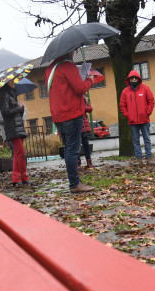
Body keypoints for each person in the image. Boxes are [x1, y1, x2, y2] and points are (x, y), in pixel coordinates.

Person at [45, 52, 96, 193]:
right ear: (70, 51)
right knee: (72, 150)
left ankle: (75, 181)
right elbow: (80, 88)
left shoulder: (50, 70)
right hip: (72, 113)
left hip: (58, 116)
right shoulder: (68, 66)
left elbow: (61, 90)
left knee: (68, 149)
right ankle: (74, 183)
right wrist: (90, 80)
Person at [0, 79, 29, 186]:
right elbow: (5, 112)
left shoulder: (11, 93)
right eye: (10, 80)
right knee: (21, 153)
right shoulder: (4, 94)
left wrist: (21, 107)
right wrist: (18, 108)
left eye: (13, 80)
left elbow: (16, 113)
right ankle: (24, 176)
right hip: (12, 127)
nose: (13, 82)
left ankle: (16, 178)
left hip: (17, 127)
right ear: (5, 82)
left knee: (17, 153)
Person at [119, 70, 155, 159]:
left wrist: (148, 112)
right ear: (129, 80)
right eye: (132, 78)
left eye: (135, 78)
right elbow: (122, 105)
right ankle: (138, 157)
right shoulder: (125, 91)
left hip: (144, 119)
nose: (134, 79)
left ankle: (149, 156)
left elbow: (151, 101)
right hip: (132, 121)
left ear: (138, 79)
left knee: (147, 139)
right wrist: (127, 115)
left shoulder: (145, 88)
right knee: (136, 141)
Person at [79, 98, 94, 169]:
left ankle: (89, 162)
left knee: (86, 145)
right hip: (76, 124)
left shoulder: (84, 99)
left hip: (84, 125)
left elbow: (90, 109)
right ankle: (78, 163)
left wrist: (82, 107)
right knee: (76, 146)